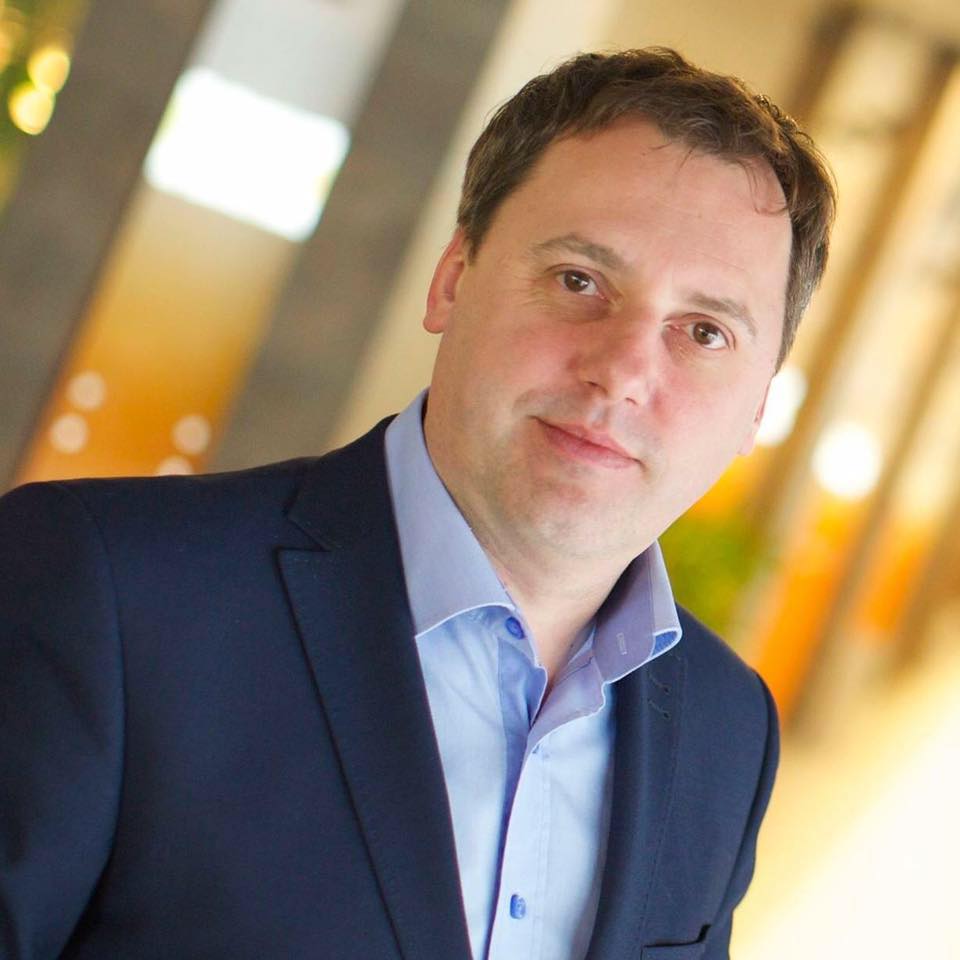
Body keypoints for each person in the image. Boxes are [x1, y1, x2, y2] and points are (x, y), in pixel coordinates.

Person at [0, 47, 835, 960]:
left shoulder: (729, 730)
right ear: (453, 279)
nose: (623, 373)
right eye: (578, 280)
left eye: (705, 331)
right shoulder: (108, 593)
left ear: (759, 407)